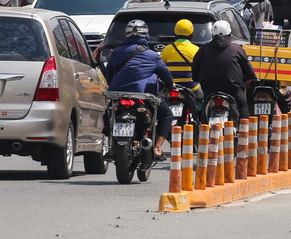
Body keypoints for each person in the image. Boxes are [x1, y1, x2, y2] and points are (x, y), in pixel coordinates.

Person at [105, 20, 175, 159]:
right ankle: (157, 147)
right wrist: (170, 86)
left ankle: (112, 144)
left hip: (117, 95)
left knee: (108, 114)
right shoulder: (153, 56)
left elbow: (109, 75)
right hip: (143, 96)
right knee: (167, 114)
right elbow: (166, 75)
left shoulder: (116, 52)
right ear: (146, 35)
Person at [192, 20, 257, 117]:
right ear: (229, 34)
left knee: (205, 106)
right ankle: (244, 130)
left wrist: (197, 79)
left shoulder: (204, 49)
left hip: (209, 89)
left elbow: (195, 68)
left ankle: (203, 128)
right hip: (232, 90)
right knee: (242, 105)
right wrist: (250, 79)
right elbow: (249, 70)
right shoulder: (237, 49)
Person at [160, 18, 202, 119]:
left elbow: (161, 68)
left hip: (171, 87)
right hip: (192, 87)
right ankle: (200, 117)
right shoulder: (196, 50)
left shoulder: (167, 49)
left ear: (175, 33)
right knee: (203, 97)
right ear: (191, 34)